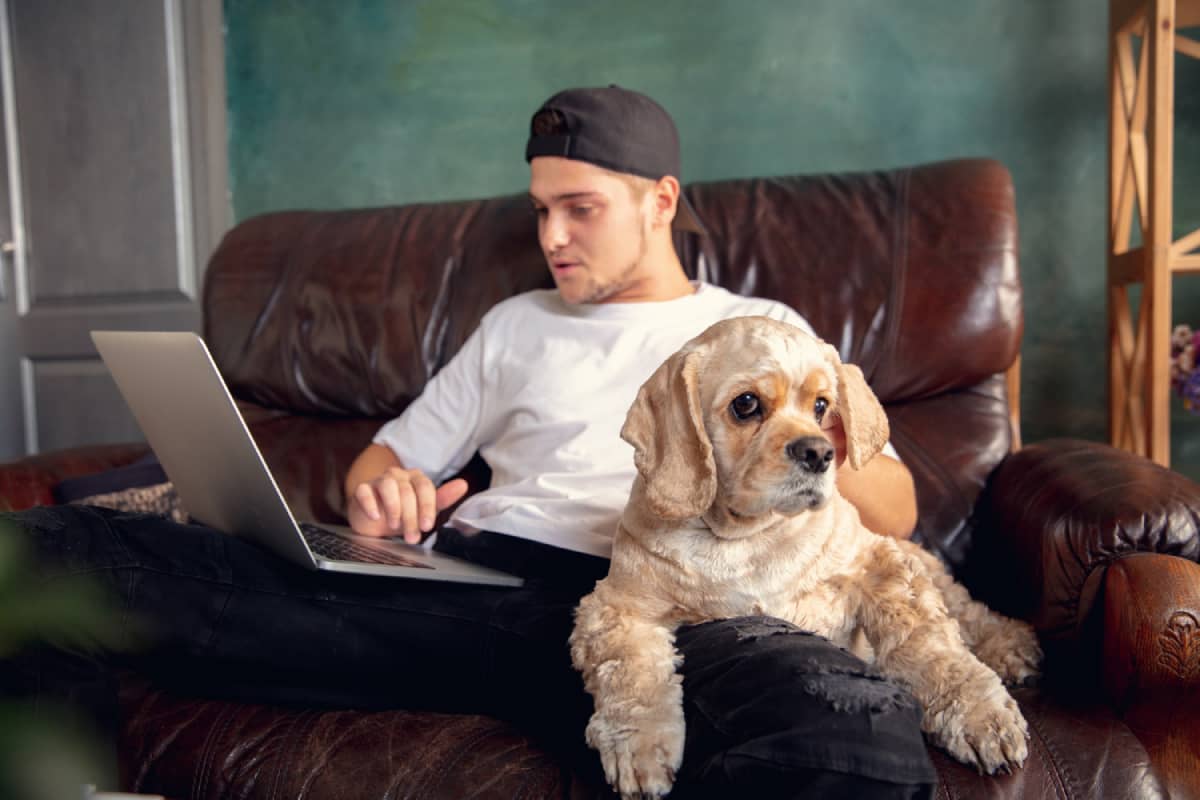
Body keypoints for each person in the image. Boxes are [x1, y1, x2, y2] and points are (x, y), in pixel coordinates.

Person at [2, 86, 934, 799]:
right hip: (462, 592)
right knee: (47, 552)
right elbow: (386, 458)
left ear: (660, 201)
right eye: (539, 210)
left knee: (857, 734)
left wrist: (778, 455)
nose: (553, 237)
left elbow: (896, 504)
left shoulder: (760, 334)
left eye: (580, 207)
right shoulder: (516, 323)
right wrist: (385, 491)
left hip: (651, 607)